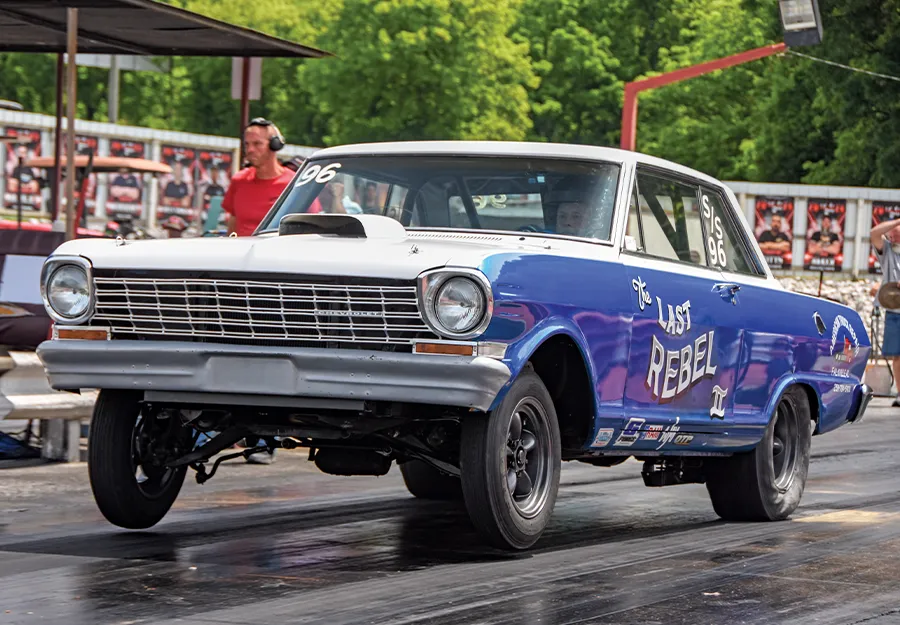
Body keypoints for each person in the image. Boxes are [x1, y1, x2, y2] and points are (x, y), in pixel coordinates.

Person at [222, 118, 295, 237]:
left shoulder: (293, 184)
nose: (250, 150)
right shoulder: (239, 180)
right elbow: (233, 223)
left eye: (257, 144)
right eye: (247, 144)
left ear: (274, 145)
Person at [870, 217, 900, 406]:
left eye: (898, 230)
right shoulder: (888, 251)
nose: (894, 232)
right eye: (893, 230)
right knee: (897, 355)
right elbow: (874, 233)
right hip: (894, 308)